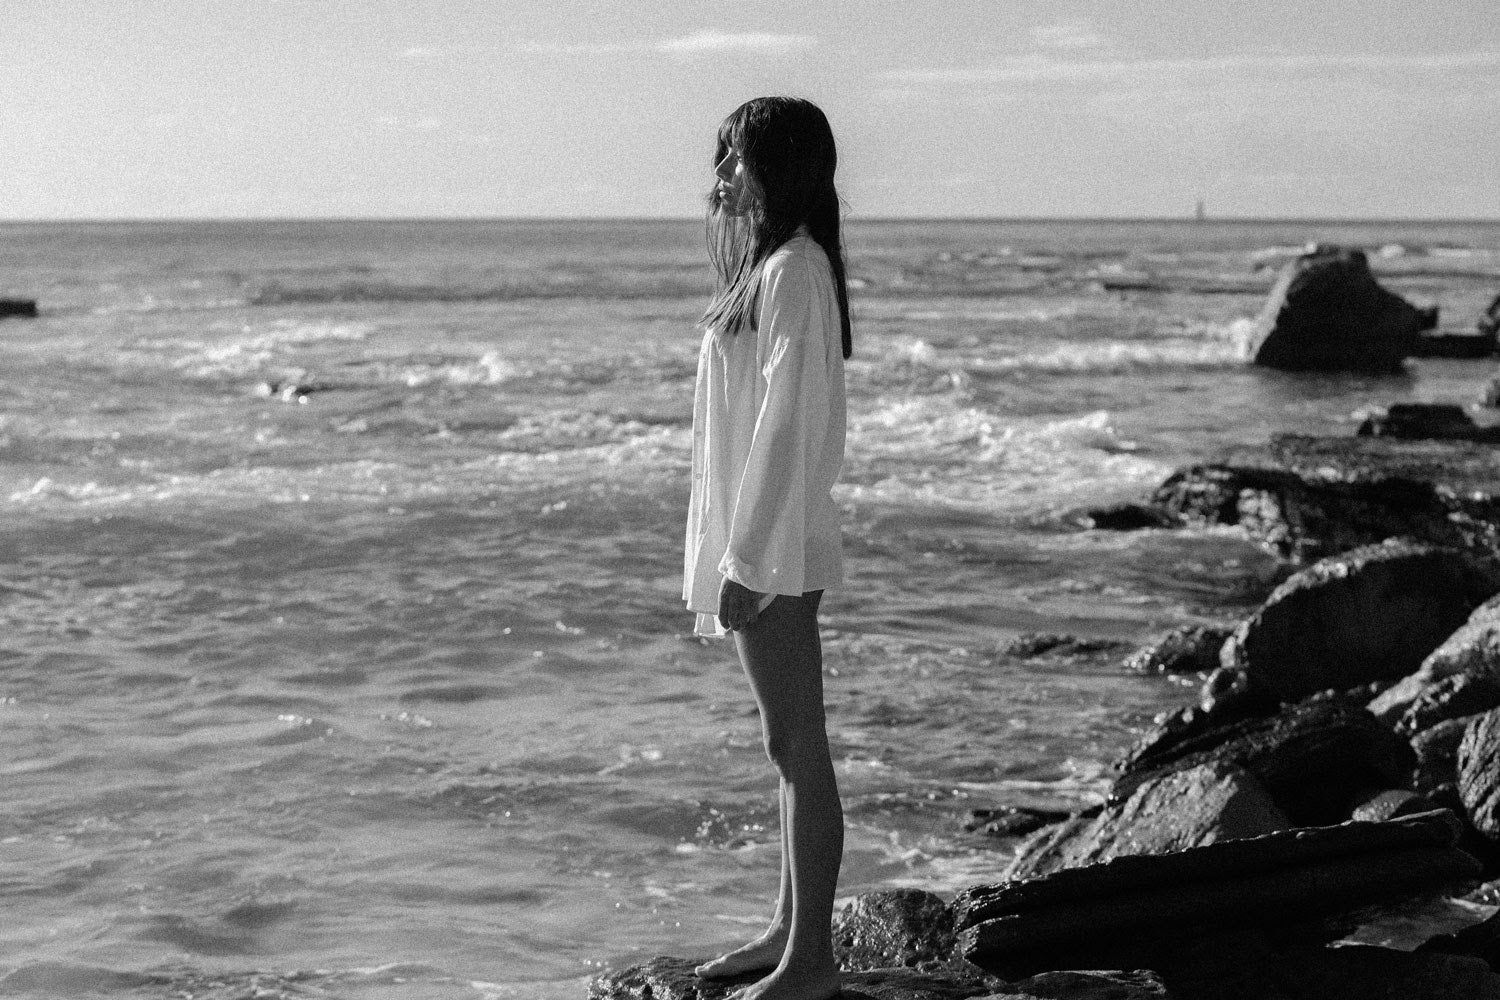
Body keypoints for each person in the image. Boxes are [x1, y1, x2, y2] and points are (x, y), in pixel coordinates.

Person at [682, 96, 852, 1000]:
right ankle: (791, 930)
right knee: (784, 743)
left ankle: (812, 962)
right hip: (767, 539)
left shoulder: (794, 272)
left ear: (779, 169)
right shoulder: (776, 269)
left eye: (734, 162)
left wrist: (746, 561)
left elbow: (788, 428)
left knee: (798, 745)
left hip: (773, 544)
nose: (719, 180)